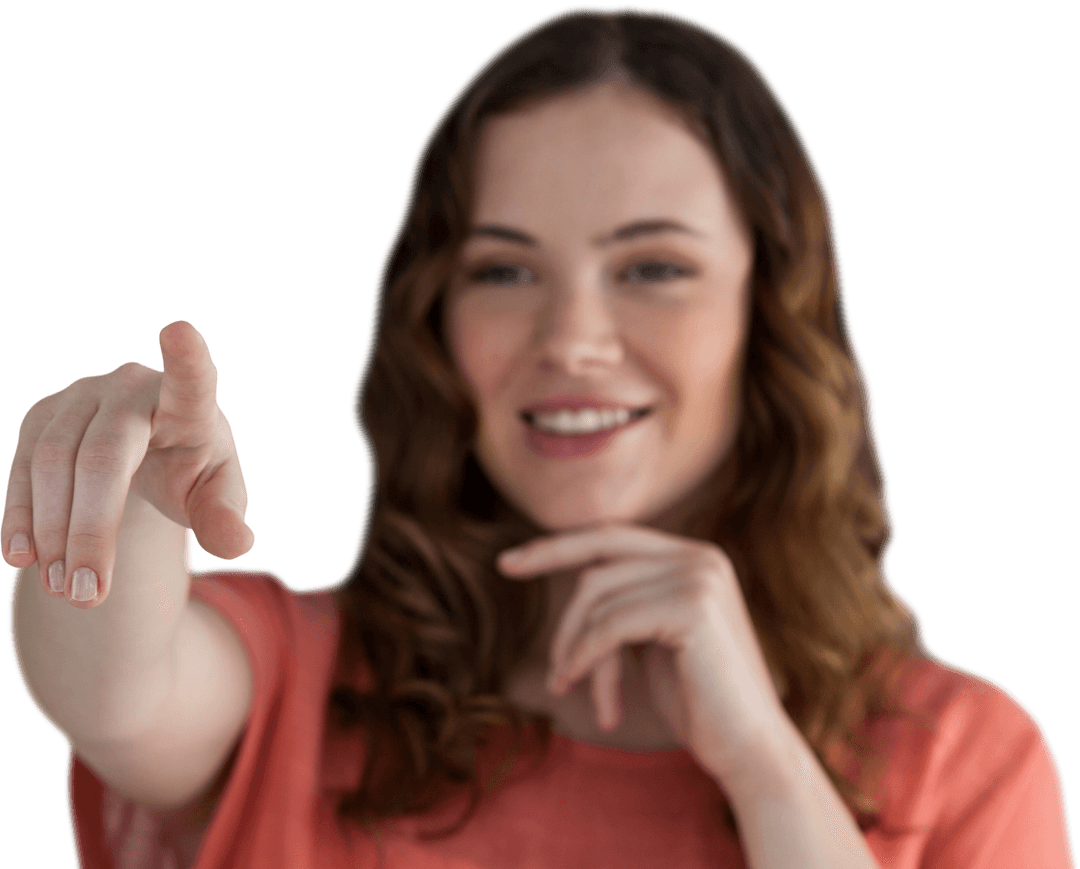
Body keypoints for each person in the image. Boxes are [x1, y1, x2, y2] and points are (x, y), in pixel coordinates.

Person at [5, 5, 1075, 868]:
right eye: (504, 270)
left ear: (772, 317)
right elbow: (113, 687)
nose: (570, 339)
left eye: (654, 267)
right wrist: (125, 496)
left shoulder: (967, 759)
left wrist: (764, 766)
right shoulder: (295, 678)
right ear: (437, 323)